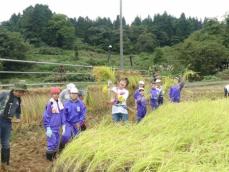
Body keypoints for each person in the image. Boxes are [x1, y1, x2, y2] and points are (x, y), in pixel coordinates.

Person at [0, 83, 27, 169]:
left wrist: (18, 119)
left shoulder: (18, 100)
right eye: (21, 92)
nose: (22, 94)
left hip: (7, 123)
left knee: (6, 143)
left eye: (23, 92)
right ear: (15, 90)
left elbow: (18, 111)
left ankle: (5, 164)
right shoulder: (4, 94)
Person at [43, 87, 65, 161]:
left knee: (56, 142)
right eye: (54, 94)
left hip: (57, 127)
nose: (56, 95)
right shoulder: (50, 104)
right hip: (51, 127)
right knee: (52, 142)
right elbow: (46, 116)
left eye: (57, 94)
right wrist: (47, 127)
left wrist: (63, 124)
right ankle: (49, 158)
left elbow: (62, 114)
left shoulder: (60, 103)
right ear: (52, 95)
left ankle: (54, 156)